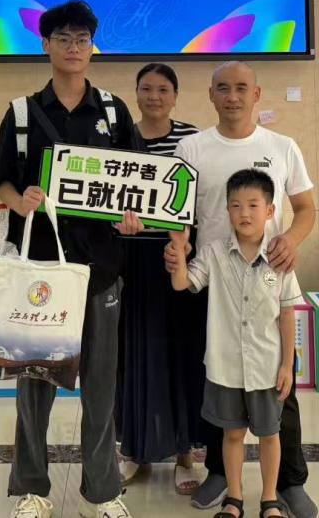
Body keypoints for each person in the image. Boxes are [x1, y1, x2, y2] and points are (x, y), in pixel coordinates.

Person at [0, 0, 145, 518]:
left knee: (101, 388)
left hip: (102, 271)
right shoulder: (21, 114)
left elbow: (137, 183)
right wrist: (20, 201)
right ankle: (32, 490)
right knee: (35, 386)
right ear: (46, 45)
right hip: (41, 273)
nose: (74, 47)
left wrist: (132, 215)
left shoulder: (114, 112)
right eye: (63, 38)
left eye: (82, 39)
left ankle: (102, 493)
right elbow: (1, 182)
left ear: (92, 47)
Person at [167, 62, 319, 518]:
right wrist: (179, 248)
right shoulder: (192, 147)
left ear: (256, 94)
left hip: (267, 277)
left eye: (240, 88)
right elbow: (176, 212)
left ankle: (288, 482)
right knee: (218, 381)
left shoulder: (282, 146)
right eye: (223, 88)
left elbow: (306, 208)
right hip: (213, 279)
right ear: (211, 95)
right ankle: (220, 474)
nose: (232, 96)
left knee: (279, 389)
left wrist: (290, 240)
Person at [168, 169, 300, 518]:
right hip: (225, 367)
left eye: (253, 205)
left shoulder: (279, 259)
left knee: (270, 435)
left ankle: (269, 499)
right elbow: (182, 284)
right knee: (232, 435)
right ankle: (235, 499)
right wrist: (178, 248)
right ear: (227, 210)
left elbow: (287, 313)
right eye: (236, 205)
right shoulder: (213, 253)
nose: (244, 213)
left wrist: (287, 365)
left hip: (266, 367)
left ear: (270, 210)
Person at [115, 63, 204, 494]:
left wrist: (184, 246)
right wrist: (118, 223)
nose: (154, 96)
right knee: (134, 353)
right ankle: (133, 450)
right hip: (131, 260)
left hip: (179, 258)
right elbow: (103, 199)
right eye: (146, 88)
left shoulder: (192, 140)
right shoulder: (119, 139)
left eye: (163, 89)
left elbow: (202, 199)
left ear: (175, 96)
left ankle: (185, 454)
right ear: (135, 93)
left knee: (181, 354)